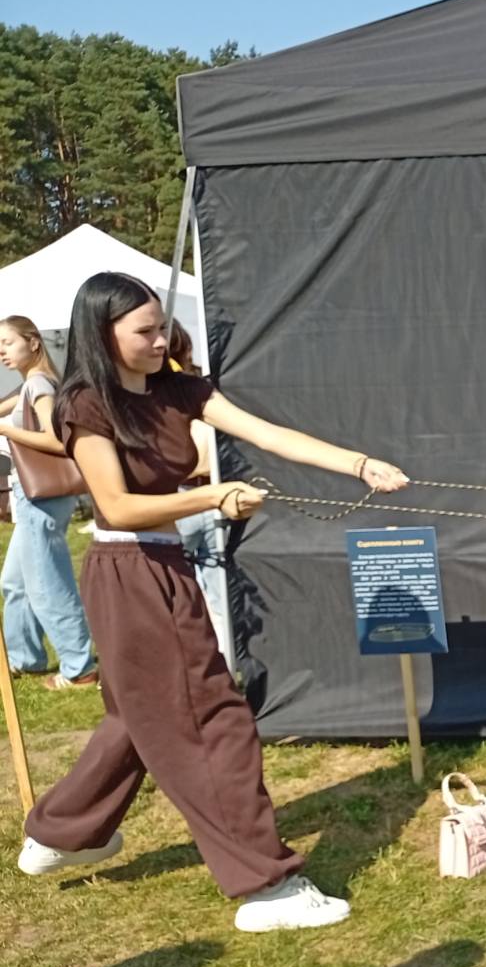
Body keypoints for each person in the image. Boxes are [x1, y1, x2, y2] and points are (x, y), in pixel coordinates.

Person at [15, 273, 409, 932]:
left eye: (161, 326)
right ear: (102, 334)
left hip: (161, 567)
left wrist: (360, 464)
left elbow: (267, 434)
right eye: (144, 331)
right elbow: (117, 505)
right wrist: (213, 496)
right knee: (211, 719)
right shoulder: (86, 403)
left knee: (138, 715)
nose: (159, 339)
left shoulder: (177, 389)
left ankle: (57, 834)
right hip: (129, 572)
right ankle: (266, 887)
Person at [0, 314, 96, 689]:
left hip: (40, 498)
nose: (2, 352)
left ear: (33, 342)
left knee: (46, 584)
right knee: (15, 583)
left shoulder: (39, 384)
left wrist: (7, 431)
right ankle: (25, 658)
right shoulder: (33, 383)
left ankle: (79, 668)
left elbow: (58, 441)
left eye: (7, 343)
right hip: (34, 498)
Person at [165, 321, 229, 634]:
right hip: (195, 493)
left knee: (196, 592)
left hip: (199, 494)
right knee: (212, 591)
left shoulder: (193, 390)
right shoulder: (202, 389)